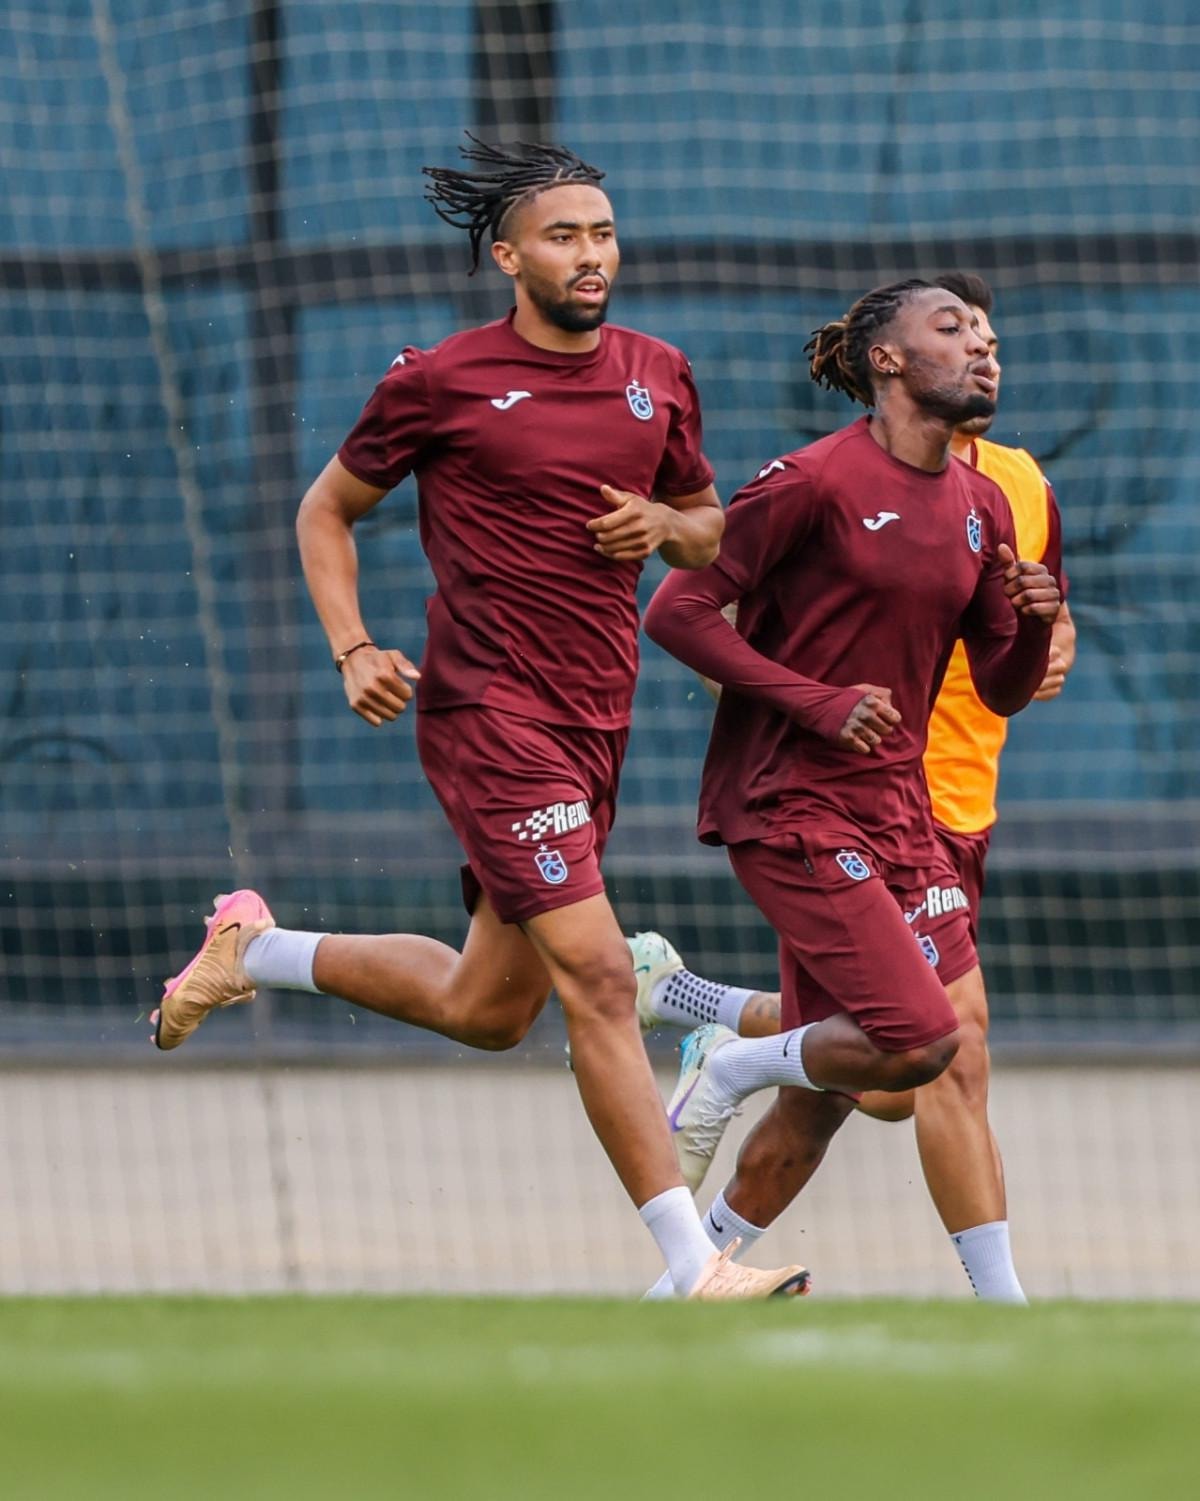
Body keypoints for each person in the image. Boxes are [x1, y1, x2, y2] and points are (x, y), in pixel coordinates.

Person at [150, 136, 807, 1301]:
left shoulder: (658, 372)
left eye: (603, 233)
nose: (591, 254)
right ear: (508, 257)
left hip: (594, 720)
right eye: (563, 236)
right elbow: (325, 510)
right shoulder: (440, 380)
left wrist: (665, 525)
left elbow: (710, 530)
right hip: (488, 714)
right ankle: (693, 1265)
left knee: (490, 1006)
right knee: (599, 977)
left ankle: (257, 950)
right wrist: (354, 647)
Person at [631, 272, 1075, 1302]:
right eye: (953, 329)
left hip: (903, 814)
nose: (982, 347)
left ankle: (683, 1280)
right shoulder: (811, 481)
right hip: (790, 804)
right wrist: (816, 701)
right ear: (888, 359)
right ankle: (735, 1065)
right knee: (931, 1042)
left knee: (854, 1085)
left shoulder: (987, 503)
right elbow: (677, 614)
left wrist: (1036, 622)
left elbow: (1002, 685)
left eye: (987, 334)